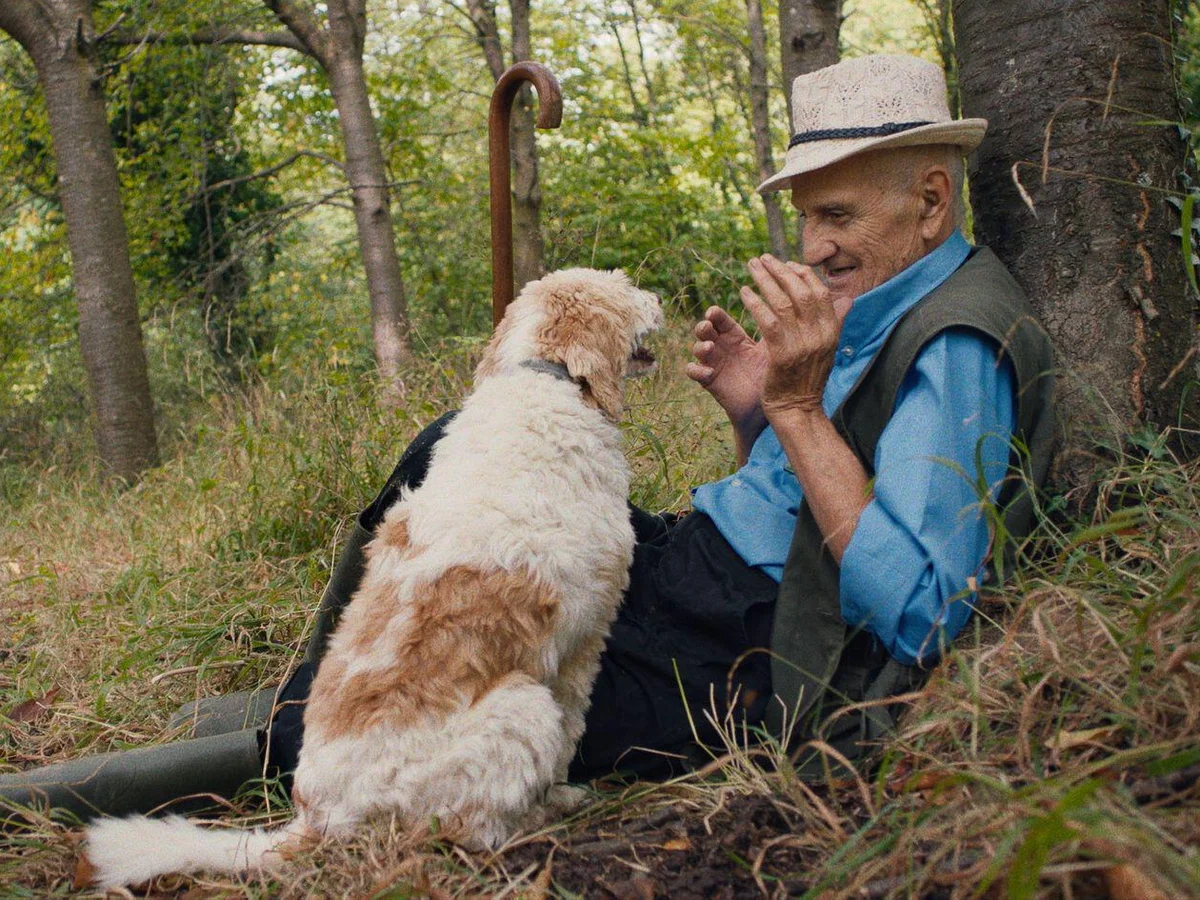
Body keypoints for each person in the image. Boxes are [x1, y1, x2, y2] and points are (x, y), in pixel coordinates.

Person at [0, 54, 1054, 819]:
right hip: (694, 568)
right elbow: (806, 502)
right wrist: (754, 417)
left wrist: (795, 411)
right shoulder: (878, 297)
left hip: (747, 658)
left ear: (930, 198)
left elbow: (917, 611)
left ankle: (76, 790)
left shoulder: (954, 346)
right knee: (454, 443)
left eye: (838, 218)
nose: (815, 247)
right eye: (809, 219)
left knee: (457, 708)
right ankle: (309, 693)